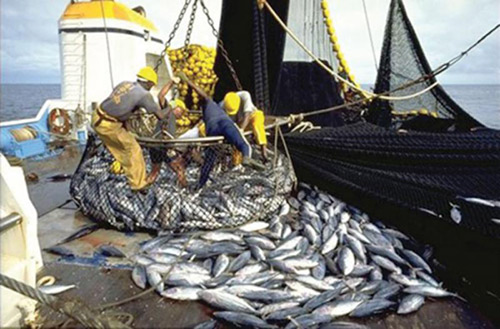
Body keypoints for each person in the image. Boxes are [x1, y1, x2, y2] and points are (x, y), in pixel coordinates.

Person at [91, 66, 179, 191]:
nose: (151, 87)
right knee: (133, 149)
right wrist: (171, 106)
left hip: (97, 115)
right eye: (152, 85)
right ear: (148, 83)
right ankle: (138, 185)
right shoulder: (144, 95)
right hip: (107, 125)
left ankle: (133, 175)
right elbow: (160, 116)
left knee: (126, 145)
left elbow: (121, 104)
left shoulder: (125, 84)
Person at [221, 91, 268, 161]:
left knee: (258, 123)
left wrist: (241, 129)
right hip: (238, 123)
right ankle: (237, 162)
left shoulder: (245, 95)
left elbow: (247, 115)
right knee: (236, 139)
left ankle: (264, 153)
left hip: (252, 117)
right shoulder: (222, 105)